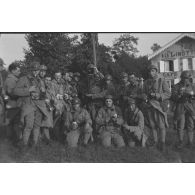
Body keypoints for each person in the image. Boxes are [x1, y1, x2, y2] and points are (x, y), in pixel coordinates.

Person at [13, 61, 51, 150]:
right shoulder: (24, 79)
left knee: (37, 126)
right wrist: (28, 90)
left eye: (37, 70)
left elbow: (43, 94)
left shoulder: (40, 80)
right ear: (30, 70)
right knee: (29, 125)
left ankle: (34, 144)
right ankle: (24, 145)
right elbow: (15, 91)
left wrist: (42, 93)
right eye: (34, 70)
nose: (35, 72)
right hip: (28, 105)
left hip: (39, 106)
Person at [141, 64, 171, 151]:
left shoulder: (162, 80)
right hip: (149, 105)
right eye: (149, 71)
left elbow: (168, 94)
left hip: (159, 106)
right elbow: (143, 92)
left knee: (161, 126)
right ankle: (155, 142)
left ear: (156, 71)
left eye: (153, 71)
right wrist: (144, 96)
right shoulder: (146, 82)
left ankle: (162, 143)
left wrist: (157, 95)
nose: (151, 73)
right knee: (152, 125)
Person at [172, 71, 195, 149]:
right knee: (180, 126)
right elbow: (173, 98)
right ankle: (180, 142)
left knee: (190, 125)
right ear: (181, 78)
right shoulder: (176, 86)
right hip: (180, 107)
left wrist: (192, 96)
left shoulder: (192, 86)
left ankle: (190, 142)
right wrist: (179, 94)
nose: (186, 80)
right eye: (184, 78)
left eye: (187, 78)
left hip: (190, 107)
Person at [4, 62, 22, 142]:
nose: (19, 72)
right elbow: (11, 93)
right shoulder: (11, 80)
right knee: (13, 122)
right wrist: (23, 93)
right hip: (13, 104)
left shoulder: (13, 79)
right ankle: (14, 139)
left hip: (12, 104)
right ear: (12, 71)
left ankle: (10, 138)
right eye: (18, 71)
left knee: (11, 122)